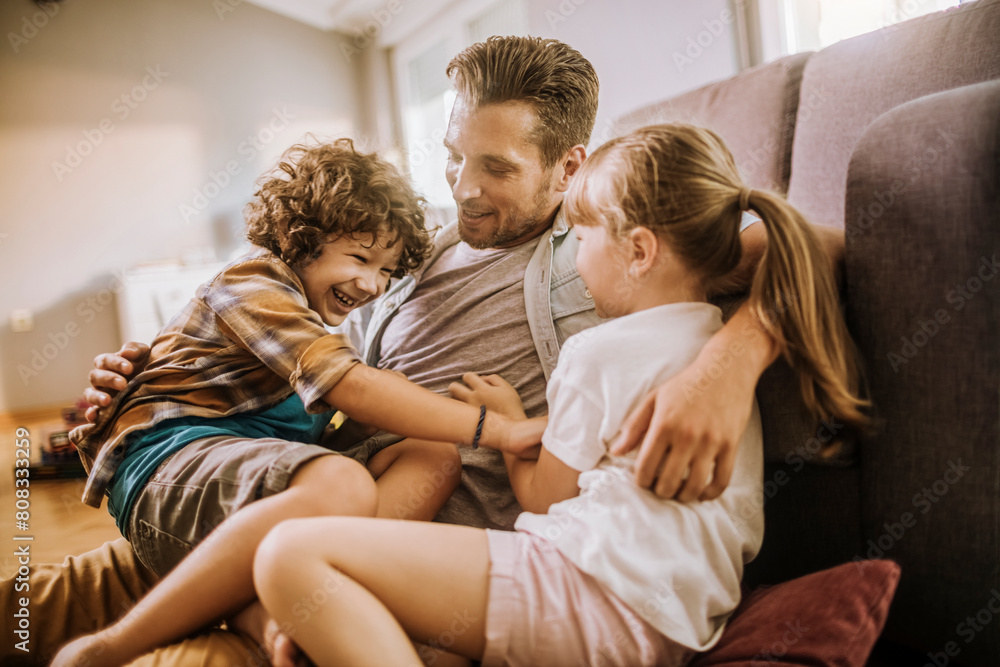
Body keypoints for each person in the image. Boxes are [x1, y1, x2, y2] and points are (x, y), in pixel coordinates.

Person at [11, 35, 843, 666]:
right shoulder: (421, 252)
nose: (465, 187)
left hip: (400, 556)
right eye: (453, 156)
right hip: (281, 486)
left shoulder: (595, 250)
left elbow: (816, 242)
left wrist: (730, 364)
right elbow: (321, 362)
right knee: (27, 608)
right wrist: (169, 378)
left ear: (568, 169)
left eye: (496, 166)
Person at [251, 122, 870, 667]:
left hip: (588, 586)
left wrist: (514, 425)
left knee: (288, 558)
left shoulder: (599, 348)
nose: (465, 188)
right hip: (675, 622)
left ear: (639, 250)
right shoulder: (698, 321)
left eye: (584, 234)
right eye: (455, 156)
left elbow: (547, 497)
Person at [50, 138, 541, 667]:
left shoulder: (317, 313)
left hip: (242, 492)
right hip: (167, 468)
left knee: (431, 456)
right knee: (339, 482)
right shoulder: (256, 284)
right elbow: (352, 388)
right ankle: (109, 648)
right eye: (360, 258)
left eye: (386, 271)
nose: (372, 283)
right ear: (301, 239)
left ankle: (287, 600)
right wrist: (497, 430)